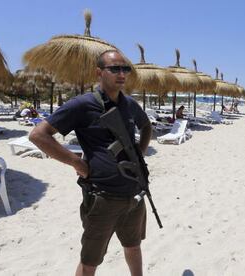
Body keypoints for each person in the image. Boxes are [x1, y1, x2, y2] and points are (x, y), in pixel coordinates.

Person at [29, 50, 152, 276]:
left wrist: (140, 154)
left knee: (133, 246)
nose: (122, 73)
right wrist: (77, 163)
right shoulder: (82, 104)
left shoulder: (130, 104)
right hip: (103, 197)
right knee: (90, 260)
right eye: (115, 69)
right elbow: (38, 135)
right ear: (99, 72)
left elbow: (146, 126)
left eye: (125, 69)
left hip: (134, 193)